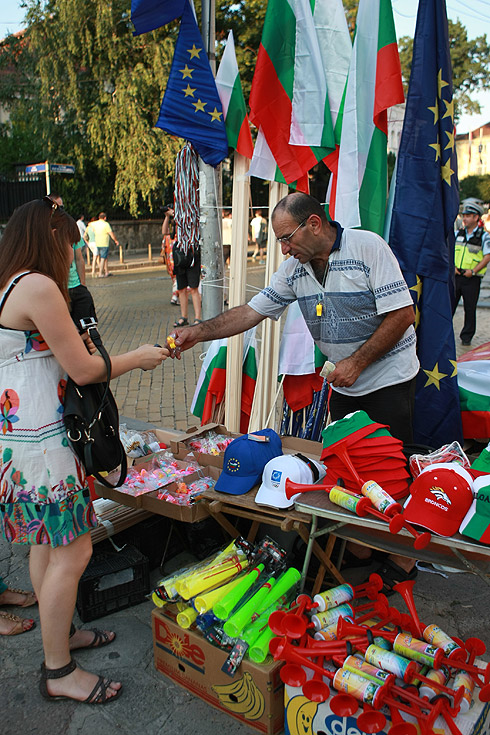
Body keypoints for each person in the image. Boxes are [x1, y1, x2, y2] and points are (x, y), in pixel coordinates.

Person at [173, 192, 420, 592]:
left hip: (388, 379)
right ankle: (360, 547)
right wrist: (197, 332)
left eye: (287, 238)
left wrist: (357, 362)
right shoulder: (294, 270)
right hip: (344, 382)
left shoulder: (367, 247)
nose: (284, 250)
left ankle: (403, 557)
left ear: (315, 224)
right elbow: (250, 313)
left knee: (389, 471)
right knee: (343, 467)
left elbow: (402, 314)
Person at [0, 198, 168, 702]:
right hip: (47, 443)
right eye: (70, 241)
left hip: (22, 440)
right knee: (75, 550)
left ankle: (62, 633)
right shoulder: (39, 285)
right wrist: (137, 357)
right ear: (51, 237)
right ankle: (59, 672)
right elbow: (85, 369)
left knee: (46, 544)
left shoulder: (11, 282)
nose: (74, 252)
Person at [453, 200, 490, 346]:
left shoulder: (484, 236)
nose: (465, 218)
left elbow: (487, 256)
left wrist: (473, 271)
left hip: (471, 278)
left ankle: (466, 337)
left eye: (468, 215)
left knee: (470, 308)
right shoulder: (457, 233)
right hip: (456, 276)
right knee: (449, 306)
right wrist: (452, 267)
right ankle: (445, 332)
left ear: (476, 217)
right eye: (464, 215)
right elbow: (449, 251)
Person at [90, 212, 119, 278]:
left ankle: (106, 271)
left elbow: (89, 224)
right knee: (103, 258)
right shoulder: (106, 224)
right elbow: (111, 233)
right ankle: (101, 273)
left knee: (103, 257)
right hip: (104, 243)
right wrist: (115, 240)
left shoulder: (95, 223)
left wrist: (94, 230)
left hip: (97, 242)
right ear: (105, 218)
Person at [161, 205, 179, 306]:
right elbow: (164, 232)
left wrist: (175, 214)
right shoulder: (170, 221)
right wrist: (167, 217)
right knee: (173, 274)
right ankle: (177, 295)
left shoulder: (181, 217)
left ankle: (175, 296)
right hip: (170, 251)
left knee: (178, 275)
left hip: (178, 250)